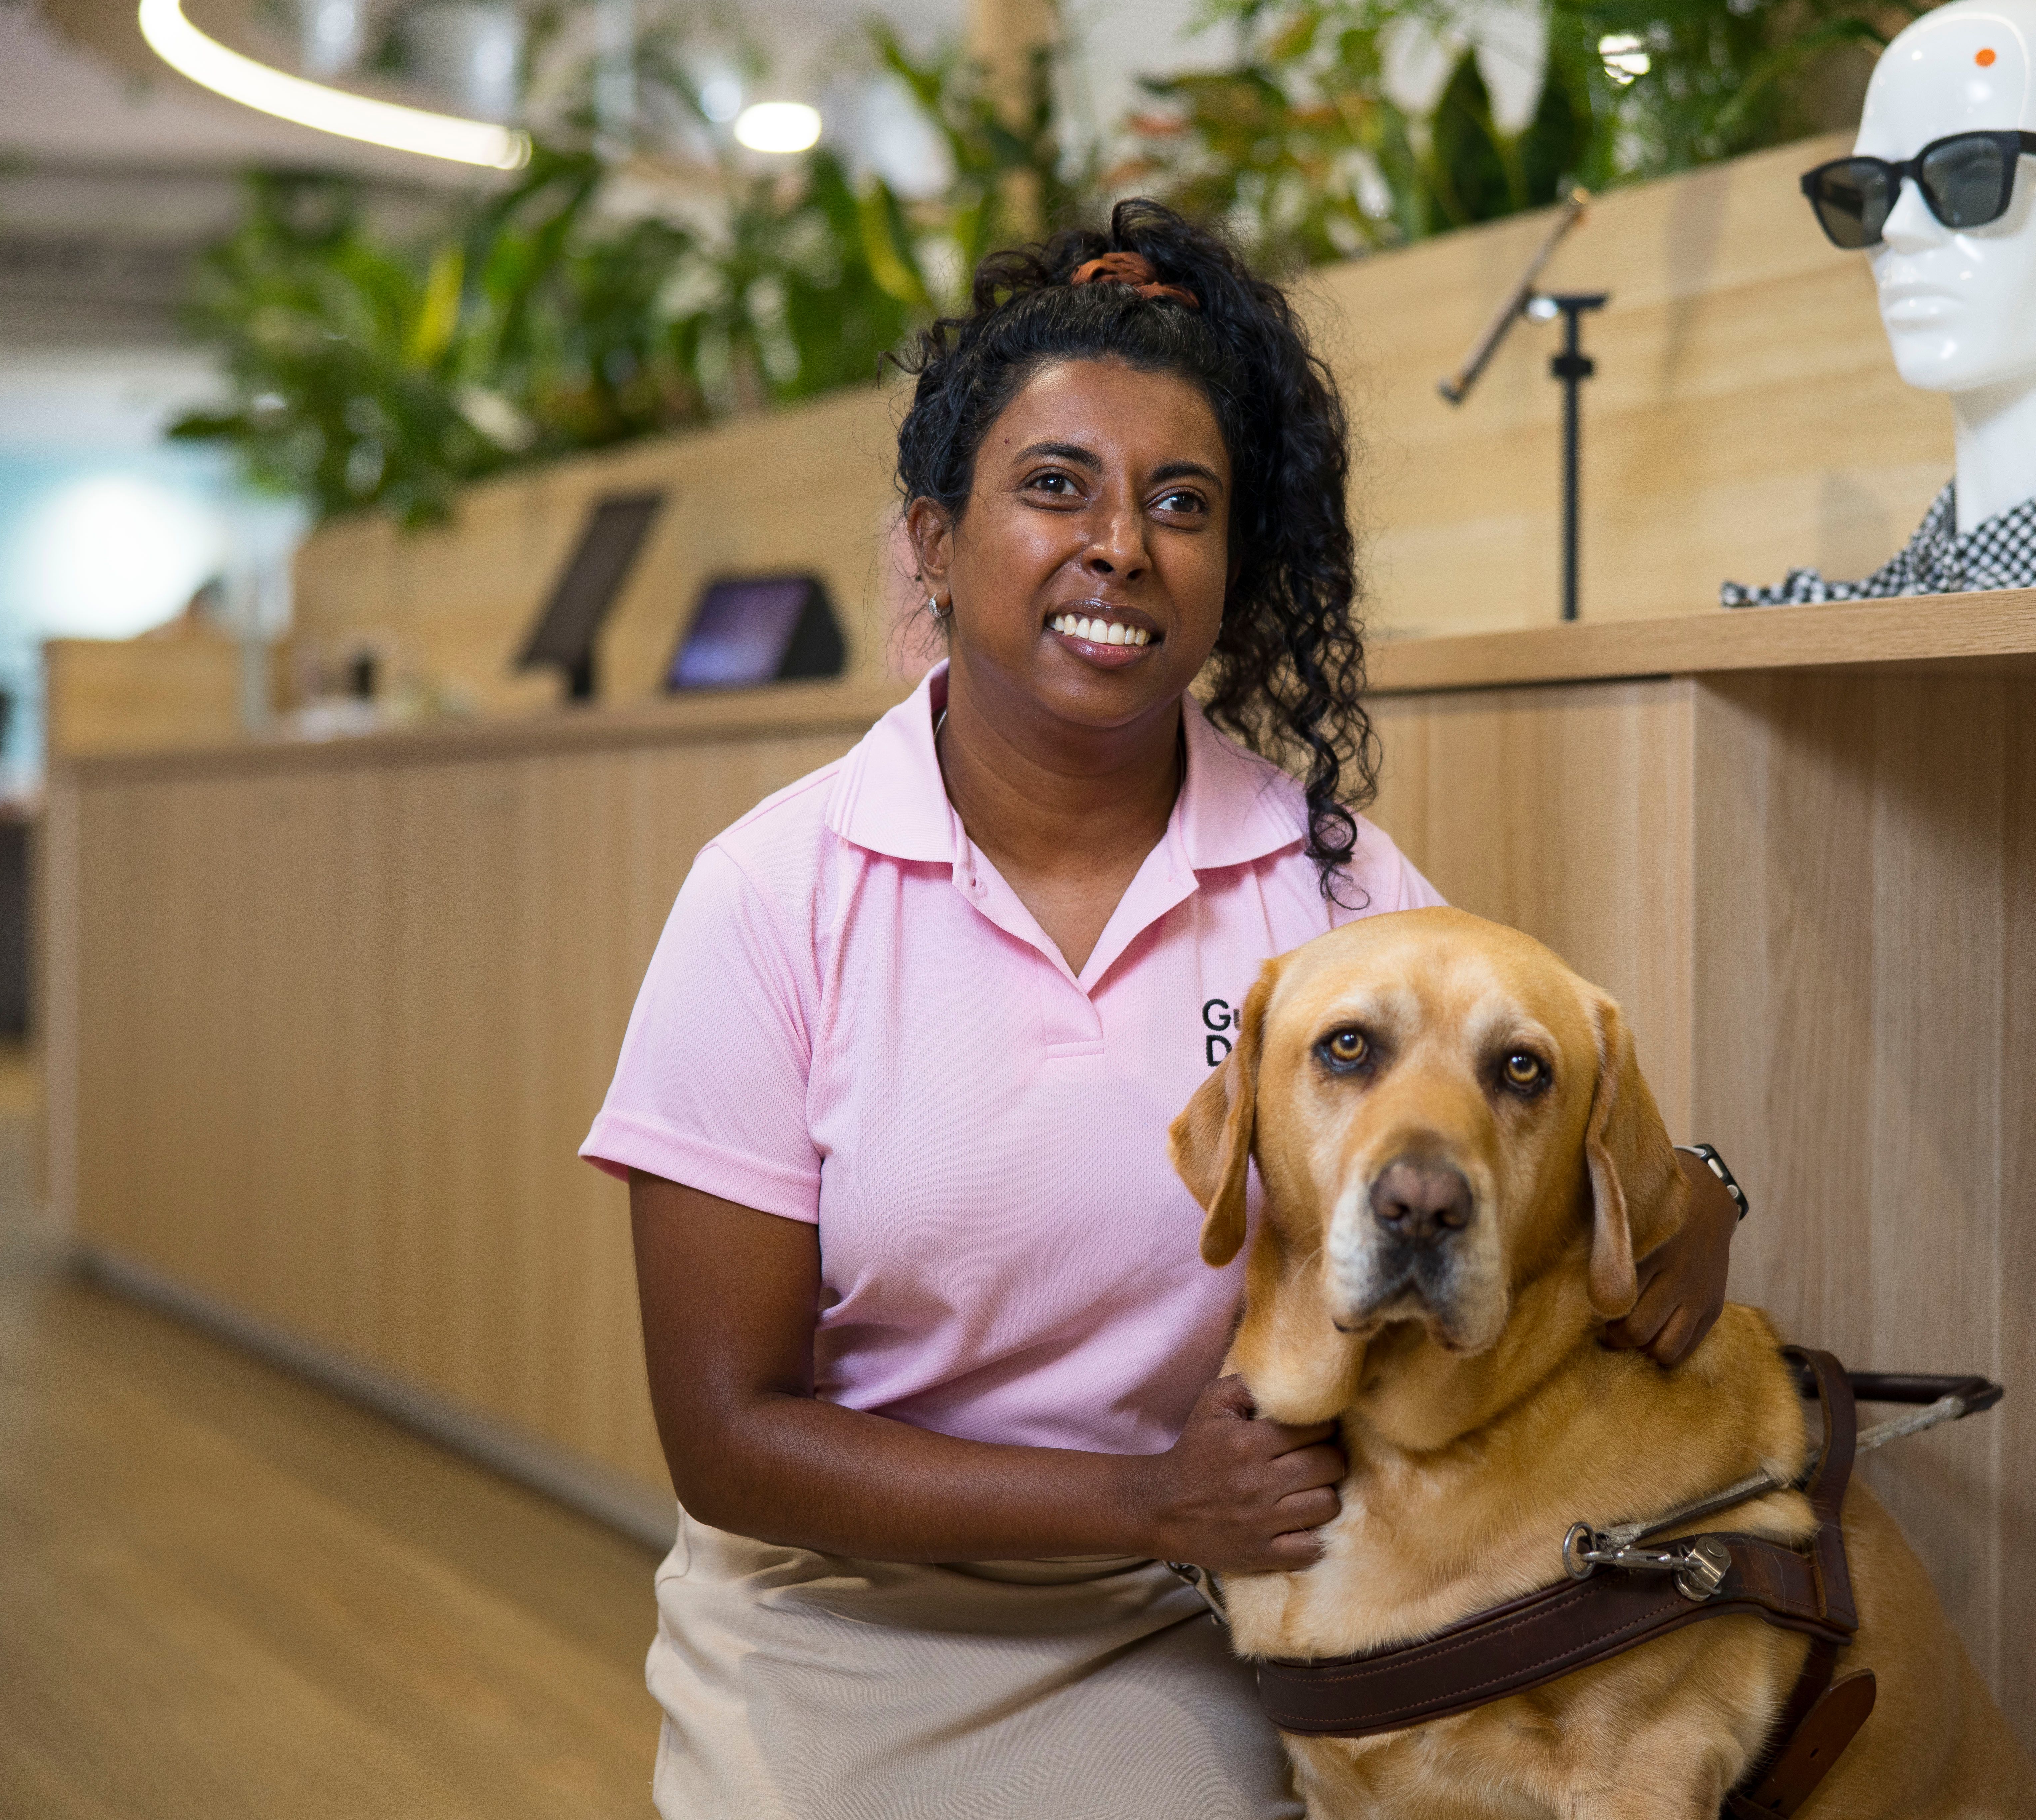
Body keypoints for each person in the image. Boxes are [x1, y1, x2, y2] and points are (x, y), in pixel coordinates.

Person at [581, 199, 1743, 1820]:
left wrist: (1696, 1195)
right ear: (934, 543)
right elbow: (725, 1437)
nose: (1120, 544)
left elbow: (1504, 1147)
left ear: (1229, 566)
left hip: (1217, 1611)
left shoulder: (1334, 886)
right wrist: (1139, 1495)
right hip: (837, 1619)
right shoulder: (773, 893)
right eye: (1055, 485)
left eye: (1180, 503)